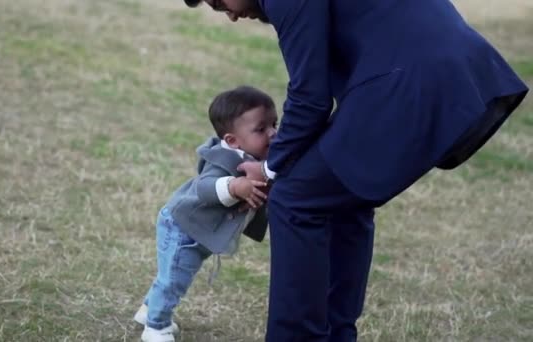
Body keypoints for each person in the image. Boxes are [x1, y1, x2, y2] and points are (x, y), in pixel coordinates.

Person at [182, 0, 529, 341]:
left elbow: (310, 97)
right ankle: (336, 334)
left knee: (295, 198)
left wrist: (269, 169)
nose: (230, 15)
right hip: (437, 65)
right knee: (340, 196)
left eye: (219, 1)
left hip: (412, 76)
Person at [133, 85, 277, 342]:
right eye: (261, 129)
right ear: (232, 140)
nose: (273, 133)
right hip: (182, 229)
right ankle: (155, 326)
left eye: (274, 124)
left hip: (198, 234)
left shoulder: (258, 158)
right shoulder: (224, 159)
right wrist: (235, 186)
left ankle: (148, 310)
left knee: (172, 274)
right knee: (174, 279)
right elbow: (204, 187)